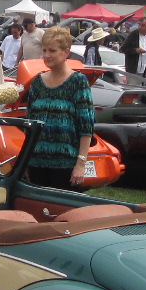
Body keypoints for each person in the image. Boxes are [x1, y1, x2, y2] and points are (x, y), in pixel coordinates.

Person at [22, 27, 94, 190]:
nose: (47, 55)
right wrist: (25, 161)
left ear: (66, 52)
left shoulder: (78, 82)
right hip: (36, 164)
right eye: (44, 50)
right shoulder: (37, 82)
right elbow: (29, 124)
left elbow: (86, 127)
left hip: (66, 167)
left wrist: (81, 164)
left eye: (52, 50)